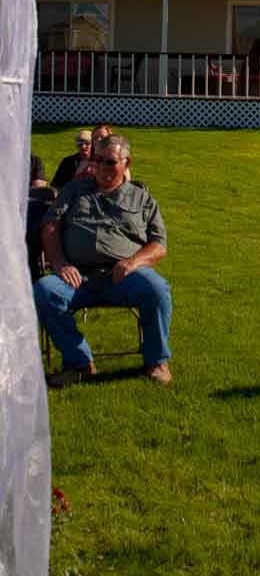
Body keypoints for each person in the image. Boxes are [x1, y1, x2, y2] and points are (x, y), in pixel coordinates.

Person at [34, 134, 172, 387]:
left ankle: (156, 361)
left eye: (110, 162)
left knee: (157, 289)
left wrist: (132, 262)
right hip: (78, 276)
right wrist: (60, 262)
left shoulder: (141, 198)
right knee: (45, 291)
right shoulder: (74, 190)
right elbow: (50, 227)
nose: (102, 167)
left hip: (124, 276)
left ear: (127, 164)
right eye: (97, 160)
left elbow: (158, 245)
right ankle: (80, 363)